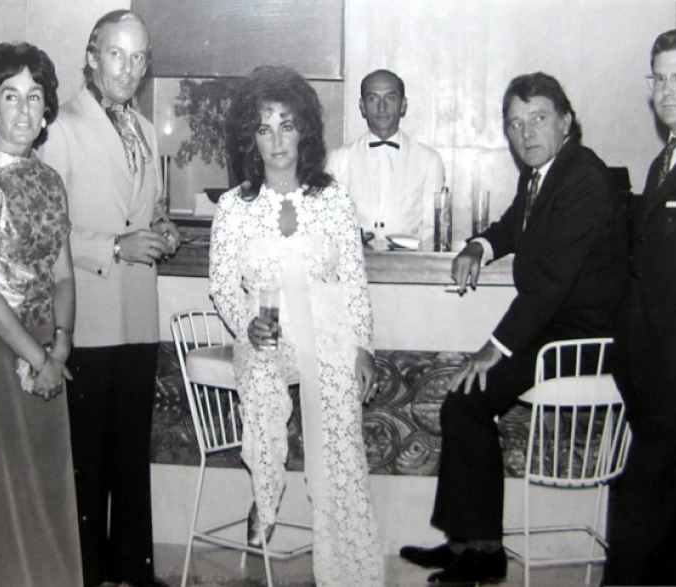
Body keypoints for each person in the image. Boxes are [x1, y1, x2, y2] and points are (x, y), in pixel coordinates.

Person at [398, 72, 628, 584]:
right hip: (557, 328)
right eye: (515, 123)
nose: (526, 133)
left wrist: (492, 349)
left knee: (468, 398)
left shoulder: (583, 177)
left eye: (539, 119)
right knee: (464, 402)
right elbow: (511, 227)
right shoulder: (545, 172)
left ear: (566, 121)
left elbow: (548, 285)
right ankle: (464, 543)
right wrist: (479, 246)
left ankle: (484, 552)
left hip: (583, 341)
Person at [210, 65, 383, 587]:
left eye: (287, 125)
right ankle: (265, 493)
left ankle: (348, 561)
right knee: (262, 383)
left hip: (328, 335)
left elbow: (354, 281)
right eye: (265, 128)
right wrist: (247, 325)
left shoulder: (332, 200)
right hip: (268, 337)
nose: (277, 139)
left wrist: (363, 347)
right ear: (250, 138)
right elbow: (222, 285)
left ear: (304, 130)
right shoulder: (234, 209)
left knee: (337, 421)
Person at [41, 9, 179, 587]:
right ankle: (88, 573)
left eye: (139, 56)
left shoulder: (146, 132)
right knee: (88, 461)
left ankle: (135, 569)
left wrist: (164, 228)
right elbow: (46, 231)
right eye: (117, 54)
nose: (129, 68)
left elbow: (144, 212)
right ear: (93, 56)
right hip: (87, 317)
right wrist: (115, 246)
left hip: (139, 316)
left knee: (130, 456)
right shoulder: (59, 127)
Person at [0, 42, 82, 586]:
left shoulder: (50, 179)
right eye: (11, 96)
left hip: (44, 345)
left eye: (36, 97)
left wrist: (61, 345)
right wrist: (38, 356)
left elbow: (64, 276)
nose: (25, 110)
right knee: (5, 487)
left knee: (46, 485)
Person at [604, 28, 676, 586]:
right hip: (651, 366)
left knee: (638, 497)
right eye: (658, 77)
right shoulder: (666, 160)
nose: (666, 90)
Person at [326, 69, 445, 250]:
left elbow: (432, 229)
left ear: (403, 105)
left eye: (390, 98)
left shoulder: (429, 160)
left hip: (409, 268)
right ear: (362, 107)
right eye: (373, 98)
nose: (382, 107)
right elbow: (330, 222)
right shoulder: (338, 159)